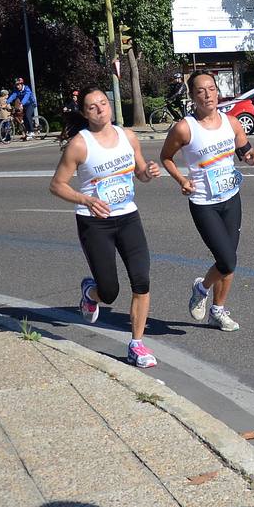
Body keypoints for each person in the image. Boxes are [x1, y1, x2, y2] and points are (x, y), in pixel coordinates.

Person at [48, 86, 162, 368]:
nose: (100, 108)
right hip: (94, 223)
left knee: (141, 280)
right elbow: (57, 185)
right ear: (85, 114)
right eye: (92, 107)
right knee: (109, 292)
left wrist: (147, 172)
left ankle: (136, 345)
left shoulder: (128, 136)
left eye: (103, 103)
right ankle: (91, 293)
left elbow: (139, 173)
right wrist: (85, 199)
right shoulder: (80, 144)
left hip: (128, 216)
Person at [159, 70, 254, 333]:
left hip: (231, 198)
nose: (207, 95)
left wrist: (253, 156)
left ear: (218, 92)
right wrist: (181, 180)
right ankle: (201, 288)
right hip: (203, 202)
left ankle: (217, 310)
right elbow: (166, 157)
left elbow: (245, 152)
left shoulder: (232, 123)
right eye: (200, 91)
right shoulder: (184, 128)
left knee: (230, 259)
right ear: (193, 97)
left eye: (211, 89)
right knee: (226, 260)